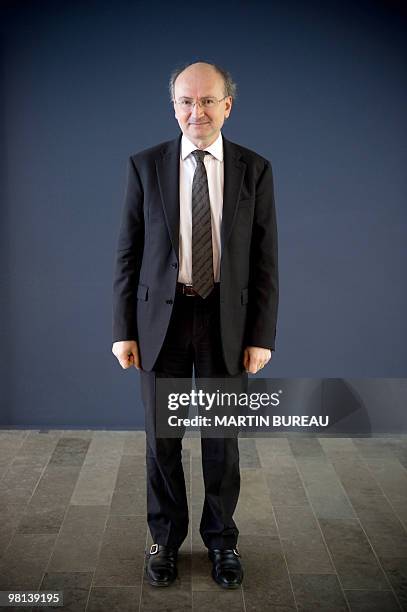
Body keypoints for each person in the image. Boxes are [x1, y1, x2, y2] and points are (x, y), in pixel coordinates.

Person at [111, 61, 278, 589]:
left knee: (220, 439)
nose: (195, 111)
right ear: (174, 106)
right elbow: (128, 253)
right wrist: (123, 329)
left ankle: (222, 542)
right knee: (161, 441)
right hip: (162, 321)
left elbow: (266, 259)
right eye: (186, 101)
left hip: (226, 320)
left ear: (228, 106)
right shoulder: (146, 165)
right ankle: (164, 541)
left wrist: (261, 335)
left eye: (207, 101)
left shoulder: (255, 169)